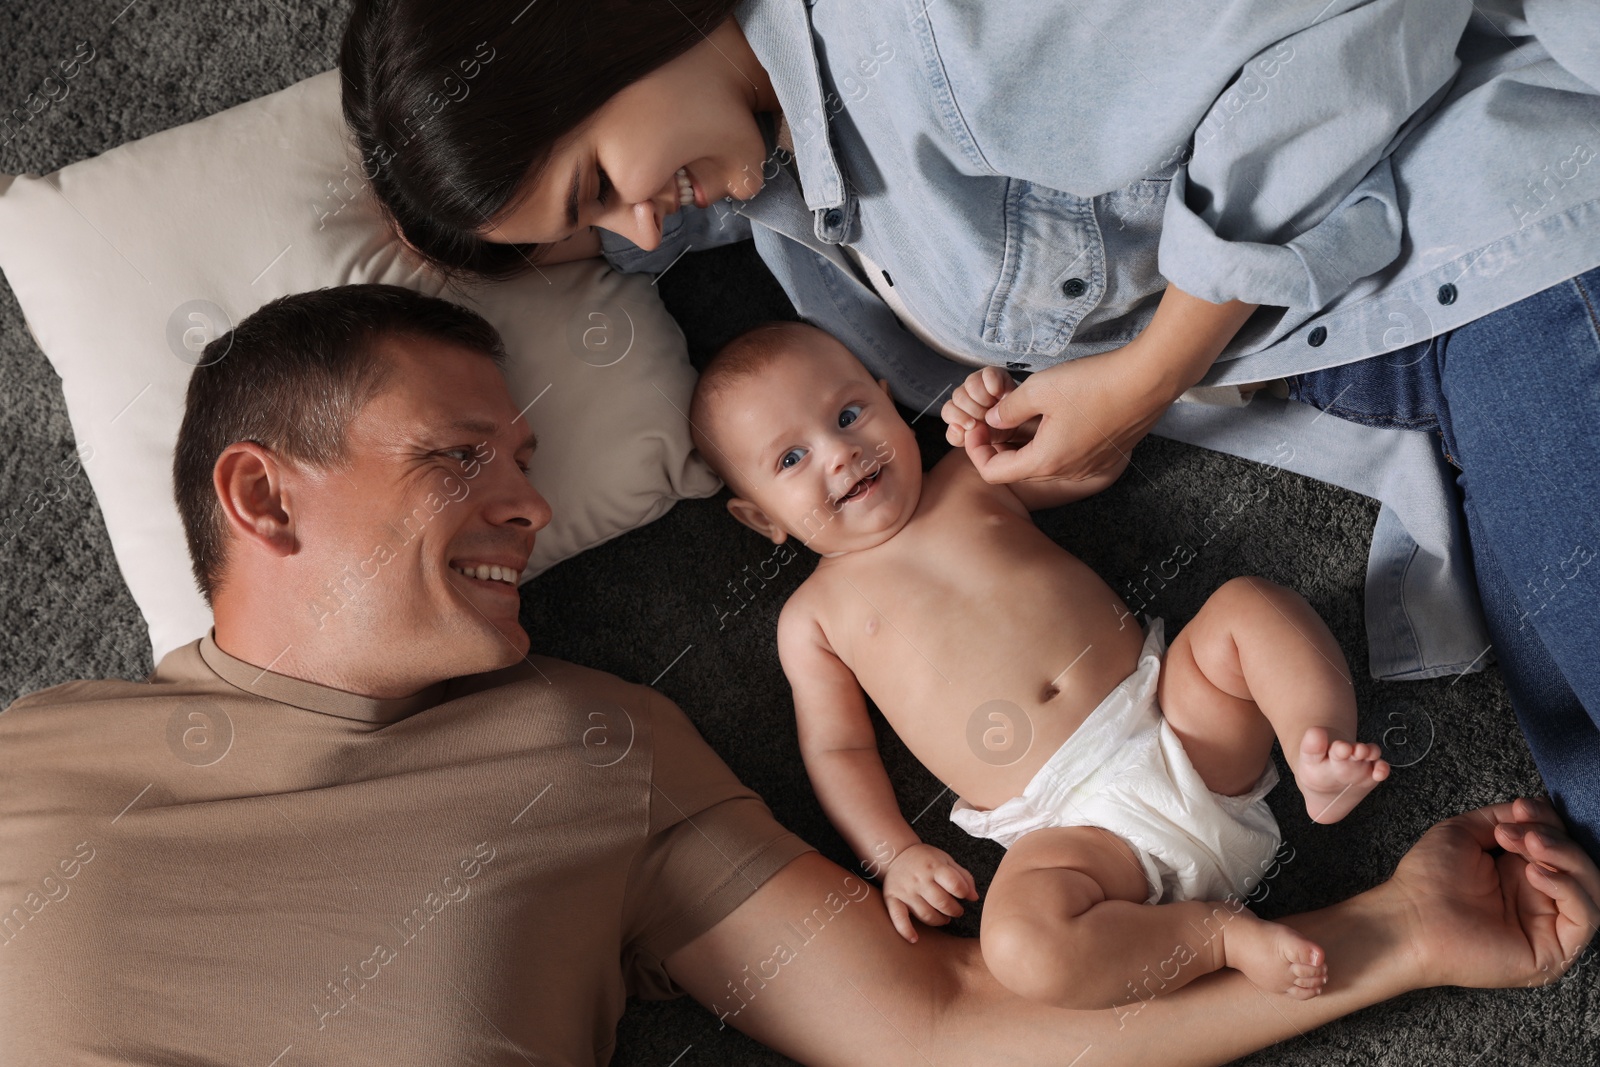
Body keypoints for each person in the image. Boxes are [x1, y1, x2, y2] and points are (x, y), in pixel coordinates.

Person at [1, 284, 1596, 1065]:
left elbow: (948, 1029)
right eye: (457, 459)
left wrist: (1389, 934)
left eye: (528, 457)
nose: (531, 506)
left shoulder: (591, 746)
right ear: (262, 496)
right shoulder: (28, 771)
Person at [337, 0, 1600, 856]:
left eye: (602, 185)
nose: (642, 230)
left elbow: (1359, 29)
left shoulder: (942, 48)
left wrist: (1144, 377)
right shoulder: (769, 151)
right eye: (591, 229)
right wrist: (431, 214)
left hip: (1501, 252)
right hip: (1389, 354)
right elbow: (672, 214)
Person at [688, 321, 1392, 1009]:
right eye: (790, 460)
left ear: (888, 399)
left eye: (849, 414)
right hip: (1075, 834)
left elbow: (1094, 460)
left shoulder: (969, 475)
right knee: (1020, 946)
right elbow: (837, 747)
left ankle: (1317, 752)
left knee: (1247, 609)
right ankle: (1217, 940)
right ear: (760, 519)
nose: (838, 454)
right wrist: (894, 853)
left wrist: (1005, 421)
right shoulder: (812, 619)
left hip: (1174, 720)